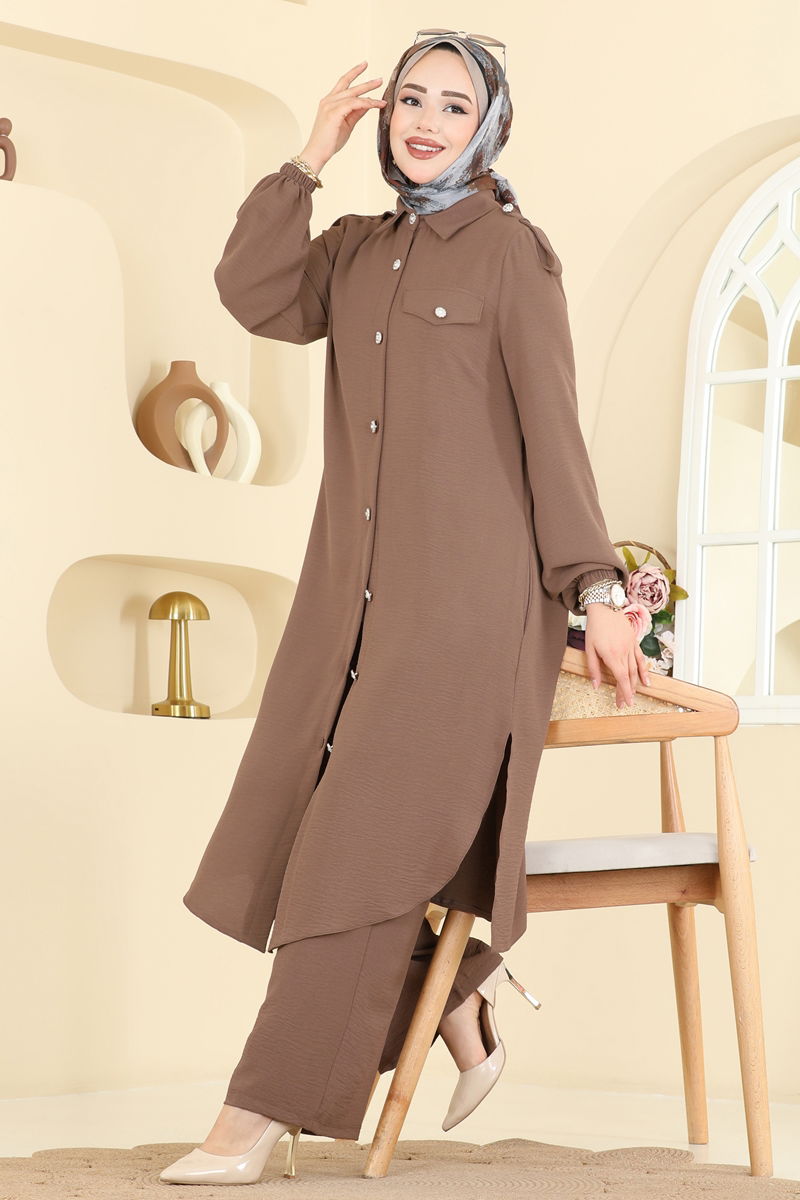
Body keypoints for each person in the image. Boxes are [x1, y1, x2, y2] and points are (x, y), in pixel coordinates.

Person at [160, 30, 649, 1186]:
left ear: (491, 127)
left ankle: (252, 1116)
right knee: (319, 837)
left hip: (468, 616)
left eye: (452, 104)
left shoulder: (513, 256)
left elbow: (552, 433)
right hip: (352, 609)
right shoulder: (353, 249)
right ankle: (459, 992)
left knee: (354, 854)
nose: (424, 121)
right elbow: (252, 294)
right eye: (408, 101)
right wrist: (306, 158)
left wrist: (596, 592)